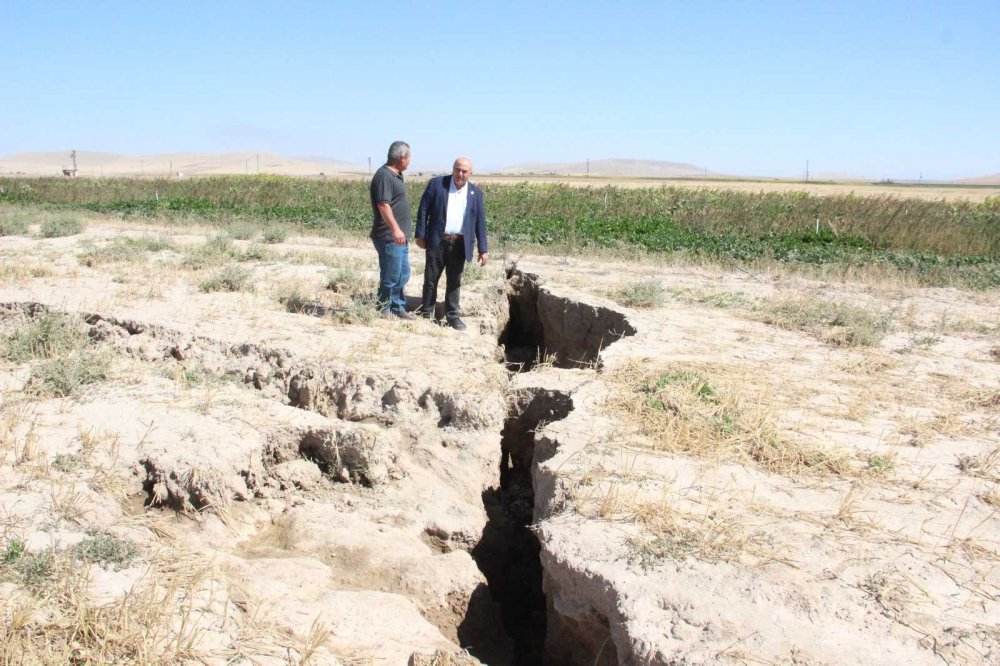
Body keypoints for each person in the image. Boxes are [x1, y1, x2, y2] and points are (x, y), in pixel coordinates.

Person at [414, 157, 488, 331]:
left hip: (459, 244)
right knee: (431, 279)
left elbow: (480, 223)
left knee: (454, 281)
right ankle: (426, 312)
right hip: (437, 241)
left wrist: (483, 250)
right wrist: (420, 234)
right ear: (453, 169)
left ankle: (452, 316)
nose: (460, 174)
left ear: (470, 173)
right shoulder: (437, 184)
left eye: (464, 171)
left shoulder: (475, 194)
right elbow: (423, 209)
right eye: (457, 169)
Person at [370, 140, 415, 319]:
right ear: (401, 158)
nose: (410, 160)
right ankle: (384, 309)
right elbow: (383, 205)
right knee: (390, 275)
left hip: (399, 238)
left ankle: (398, 307)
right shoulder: (384, 176)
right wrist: (396, 229)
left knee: (403, 273)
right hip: (389, 236)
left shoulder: (395, 175)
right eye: (409, 156)